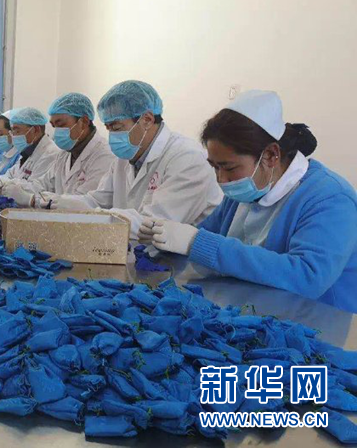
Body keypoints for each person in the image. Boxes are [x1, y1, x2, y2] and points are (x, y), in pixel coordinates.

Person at [140, 90, 357, 312]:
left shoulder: (330, 199)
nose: (221, 179)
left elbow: (308, 277)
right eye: (215, 167)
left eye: (229, 168)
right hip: (252, 311)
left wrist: (196, 242)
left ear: (271, 155)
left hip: (317, 321)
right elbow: (206, 235)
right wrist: (166, 239)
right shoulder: (244, 192)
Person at [47, 80, 222, 239]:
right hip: (136, 252)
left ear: (147, 120)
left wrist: (96, 216)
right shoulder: (124, 158)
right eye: (108, 128)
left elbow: (154, 224)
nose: (112, 136)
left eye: (117, 127)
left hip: (181, 260)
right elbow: (98, 200)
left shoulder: (187, 157)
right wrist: (58, 203)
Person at [2, 93, 115, 207]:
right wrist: (12, 187)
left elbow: (85, 204)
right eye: (54, 126)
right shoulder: (65, 154)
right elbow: (43, 184)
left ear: (84, 122)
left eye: (61, 125)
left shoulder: (104, 155)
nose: (56, 132)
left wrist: (33, 200)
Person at [0, 107, 61, 194]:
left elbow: (34, 189)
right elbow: (9, 176)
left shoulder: (50, 154)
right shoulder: (27, 153)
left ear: (35, 130)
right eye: (12, 132)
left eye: (17, 131)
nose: (14, 137)